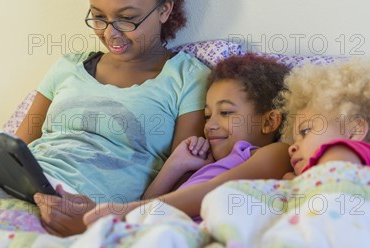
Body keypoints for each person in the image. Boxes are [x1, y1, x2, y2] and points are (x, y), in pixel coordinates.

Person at [0, 0, 210, 236]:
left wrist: (105, 219)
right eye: (99, 17)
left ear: (164, 10)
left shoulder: (188, 78)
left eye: (127, 19)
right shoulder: (67, 67)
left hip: (89, 215)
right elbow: (17, 149)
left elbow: (184, 185)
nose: (109, 32)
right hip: (24, 192)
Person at [84, 53, 293, 225]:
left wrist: (129, 209)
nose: (209, 125)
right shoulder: (207, 165)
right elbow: (149, 204)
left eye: (226, 112)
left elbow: (216, 190)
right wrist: (175, 164)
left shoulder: (278, 153)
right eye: (207, 115)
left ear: (269, 122)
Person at [277, 56, 370, 179]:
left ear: (354, 130)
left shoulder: (342, 155)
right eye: (294, 140)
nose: (292, 148)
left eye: (305, 131)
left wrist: (291, 186)